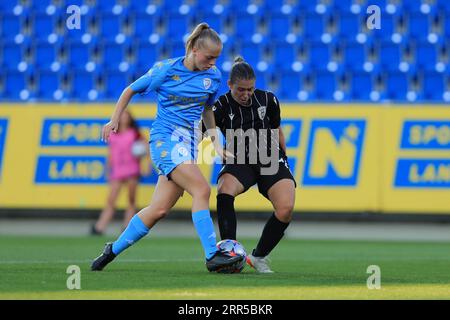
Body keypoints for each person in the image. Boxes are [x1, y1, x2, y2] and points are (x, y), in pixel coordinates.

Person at [91, 23, 242, 272]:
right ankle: (212, 255)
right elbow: (130, 89)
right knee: (202, 189)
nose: (213, 62)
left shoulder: (212, 77)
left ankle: (111, 250)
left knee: (158, 209)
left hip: (189, 145)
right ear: (194, 49)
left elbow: (206, 110)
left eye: (217, 57)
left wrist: (216, 141)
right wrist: (115, 118)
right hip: (165, 141)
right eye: (209, 57)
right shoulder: (165, 70)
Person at [208, 57, 296, 273]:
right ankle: (230, 252)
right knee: (224, 190)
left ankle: (258, 257)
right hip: (239, 159)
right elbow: (205, 130)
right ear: (229, 85)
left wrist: (284, 157)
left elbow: (277, 130)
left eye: (250, 89)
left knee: (286, 208)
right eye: (241, 90)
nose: (246, 94)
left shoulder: (268, 100)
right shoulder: (220, 106)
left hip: (269, 157)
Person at [90, 110, 148, 236]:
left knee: (131, 199)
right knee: (111, 200)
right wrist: (107, 169)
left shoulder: (134, 133)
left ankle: (127, 226)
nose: (124, 118)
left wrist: (145, 163)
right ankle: (100, 226)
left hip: (132, 169)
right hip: (118, 170)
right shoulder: (113, 134)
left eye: (126, 116)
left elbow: (146, 147)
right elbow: (111, 153)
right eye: (122, 116)